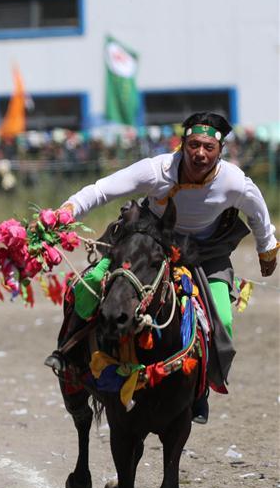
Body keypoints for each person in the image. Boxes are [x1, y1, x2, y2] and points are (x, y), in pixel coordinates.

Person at [50, 112, 278, 423]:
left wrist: (267, 248)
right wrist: (68, 209)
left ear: (219, 150)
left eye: (208, 147)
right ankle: (69, 360)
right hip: (147, 244)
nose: (200, 153)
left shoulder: (235, 182)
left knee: (222, 317)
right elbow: (102, 190)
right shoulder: (156, 170)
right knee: (89, 284)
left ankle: (200, 389)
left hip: (205, 254)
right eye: (194, 145)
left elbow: (258, 213)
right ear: (182, 144)